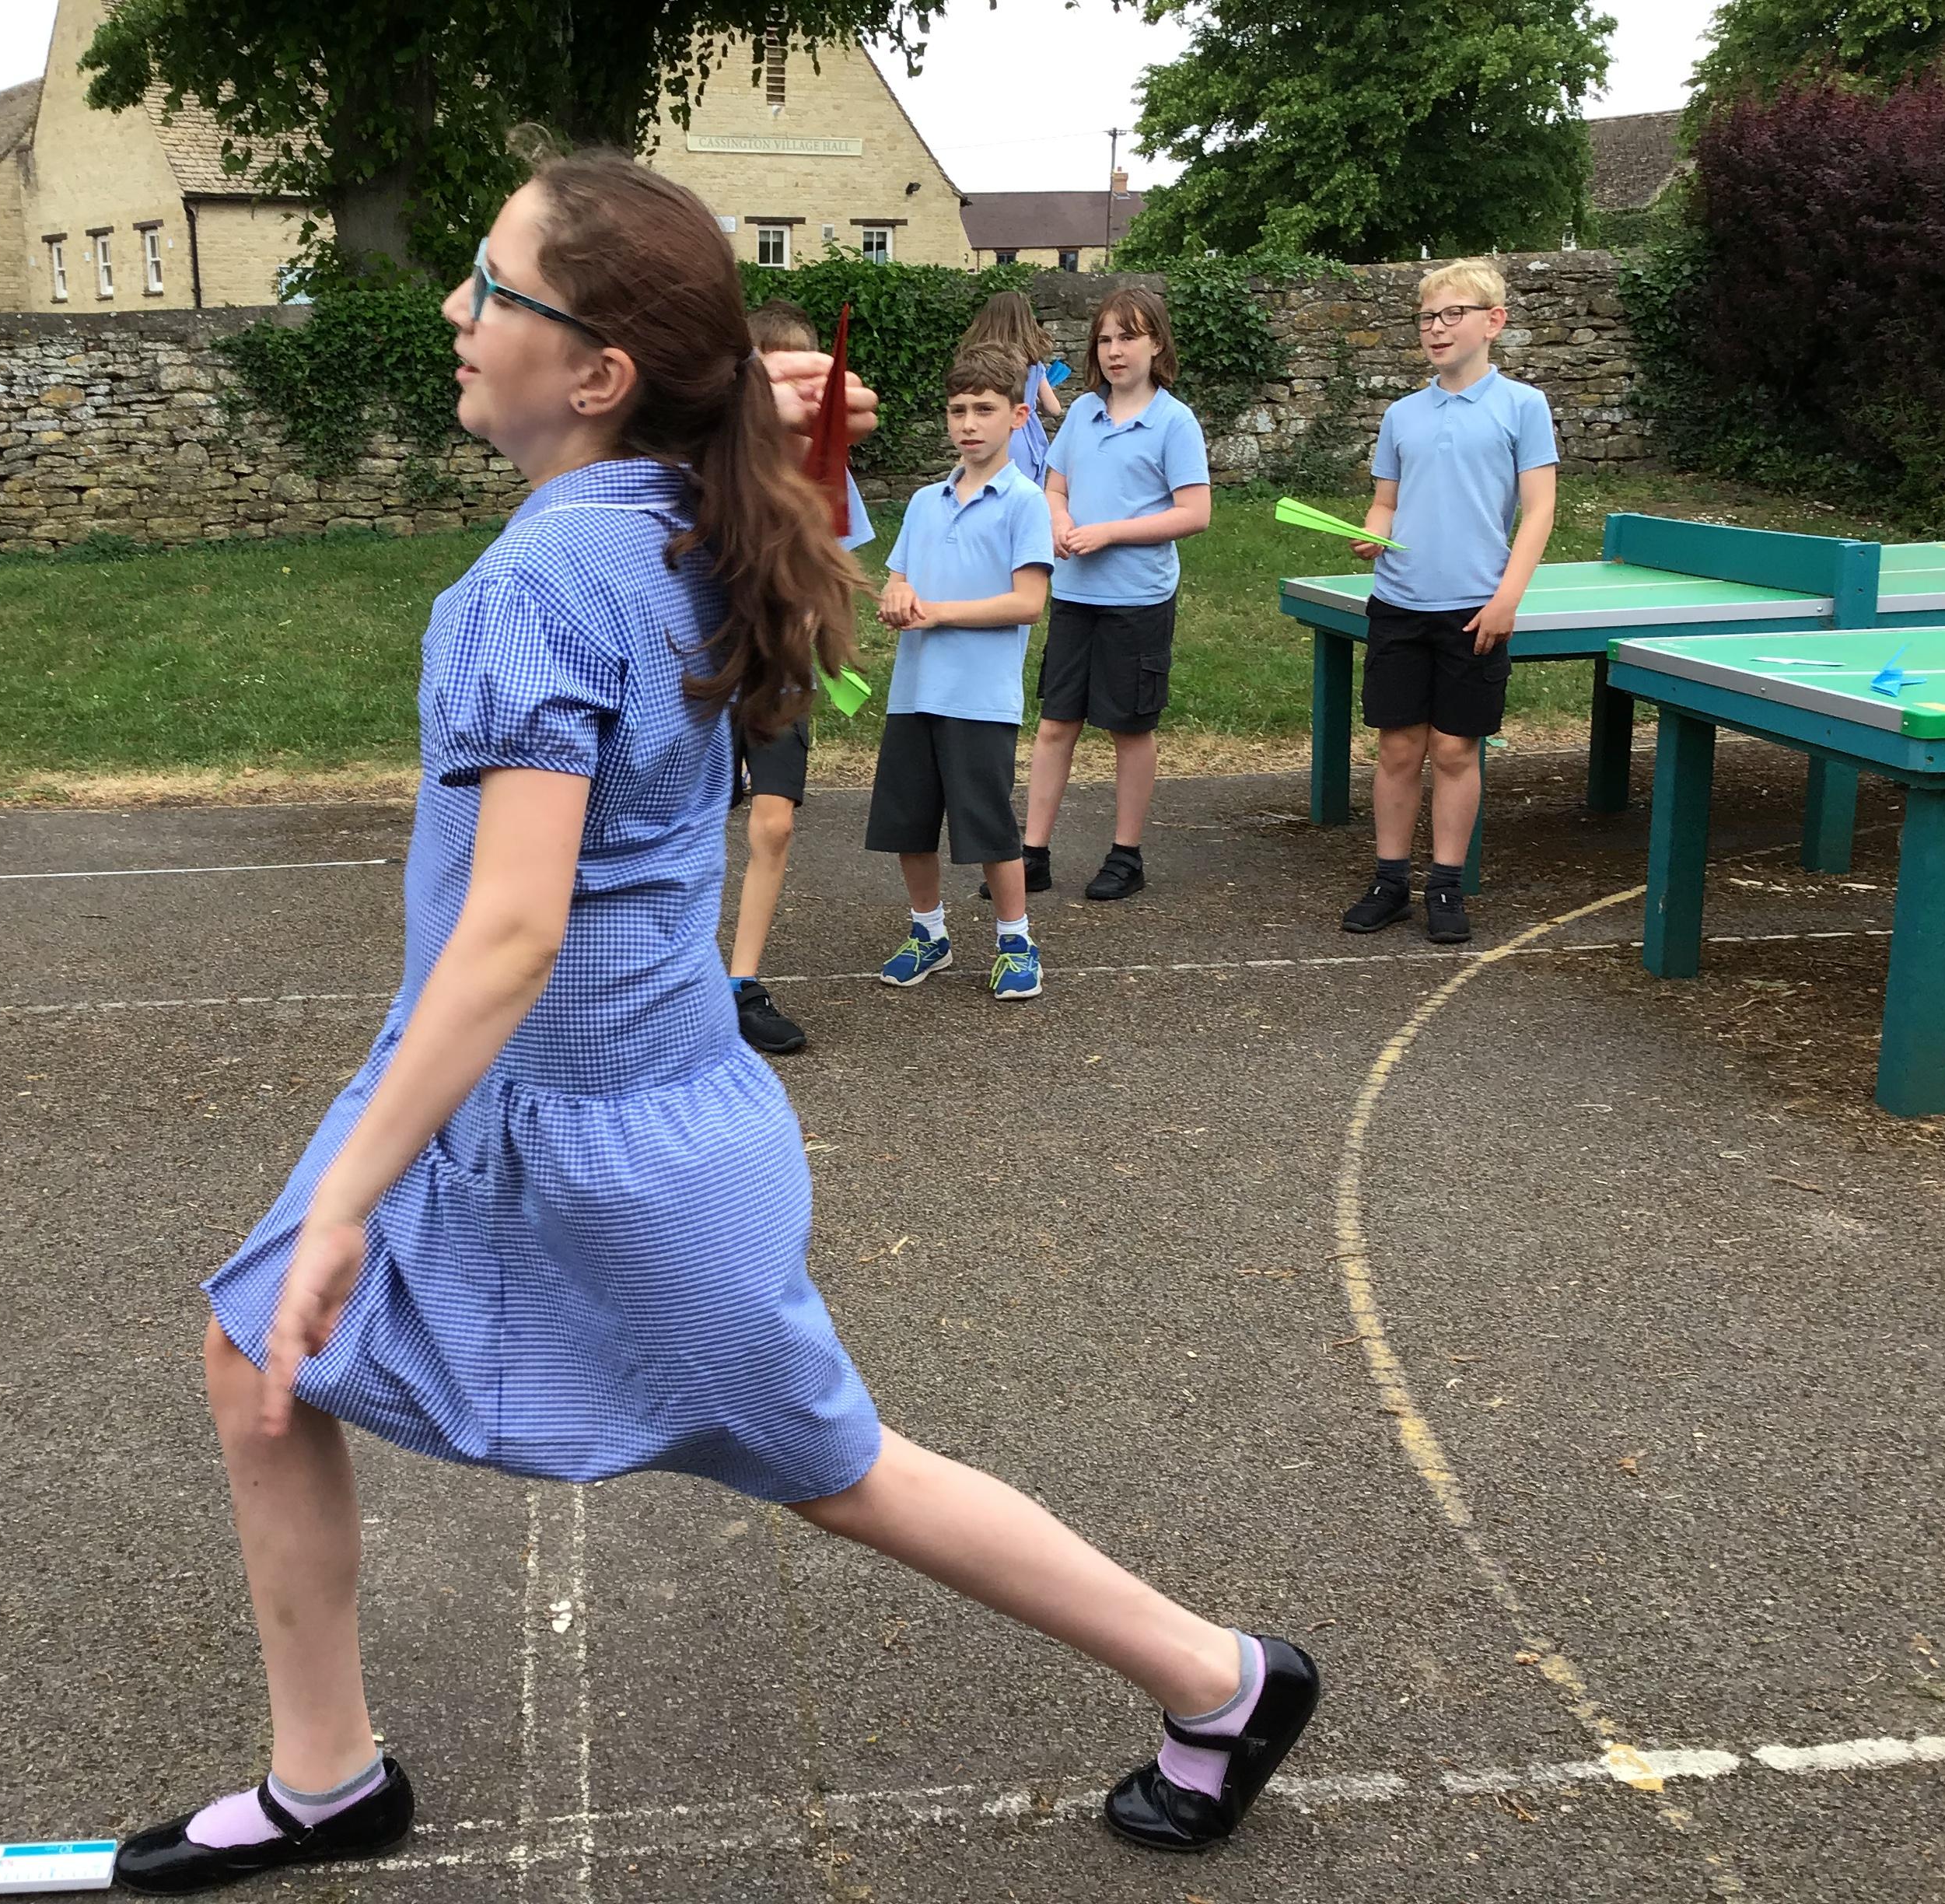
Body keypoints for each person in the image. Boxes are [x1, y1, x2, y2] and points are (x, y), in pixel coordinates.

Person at [114, 155, 1318, 1893]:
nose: (455, 308)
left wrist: (352, 1194)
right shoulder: (693, 513)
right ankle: (326, 1777)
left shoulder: (542, 583)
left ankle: (1221, 1677)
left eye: (492, 287)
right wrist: (770, 401)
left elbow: (512, 927)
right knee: (257, 1361)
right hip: (539, 1098)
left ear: (597, 373)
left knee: (837, 1466)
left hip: (603, 1137)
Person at [1341, 258, 1558, 946]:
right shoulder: (1402, 414)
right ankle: (1390, 883)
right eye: (1427, 318)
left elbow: (1539, 510)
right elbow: (1385, 503)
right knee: (1398, 748)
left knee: (1457, 749)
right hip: (1399, 604)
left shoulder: (1522, 406)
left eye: (1451, 315)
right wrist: (1373, 533)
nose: (1436, 329)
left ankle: (1446, 885)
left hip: (1475, 608)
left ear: (1494, 321)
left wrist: (1506, 599)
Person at [869, 344, 1056, 1003]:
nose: (969, 423)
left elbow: (1027, 602)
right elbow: (897, 581)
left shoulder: (1025, 502)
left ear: (1018, 416)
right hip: (915, 691)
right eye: (957, 410)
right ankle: (929, 932)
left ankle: (1016, 940)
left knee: (988, 827)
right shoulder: (925, 502)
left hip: (980, 698)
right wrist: (896, 595)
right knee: (909, 822)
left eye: (984, 409)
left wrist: (939, 612)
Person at [1019, 286, 1210, 905]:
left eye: (1128, 337)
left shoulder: (1174, 421)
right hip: (1076, 595)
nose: (1114, 350)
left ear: (1157, 344)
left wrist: (1110, 533)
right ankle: (1032, 855)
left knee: (1129, 728)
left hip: (1138, 600)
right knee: (1056, 724)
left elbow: (1195, 513)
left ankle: (1126, 856)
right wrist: (1057, 519)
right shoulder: (1081, 413)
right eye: (1105, 339)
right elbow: (1055, 487)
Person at [722, 299, 878, 1057]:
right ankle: (680, 978)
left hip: (780, 675)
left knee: (774, 822)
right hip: (707, 674)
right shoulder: (719, 470)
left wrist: (824, 622)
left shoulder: (829, 475)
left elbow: (839, 568)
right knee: (689, 822)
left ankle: (741, 985)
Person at [960, 287, 1066, 486]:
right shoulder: (1033, 364)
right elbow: (1054, 408)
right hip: (1027, 439)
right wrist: (1032, 402)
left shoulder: (980, 365)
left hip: (992, 434)